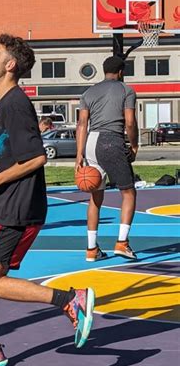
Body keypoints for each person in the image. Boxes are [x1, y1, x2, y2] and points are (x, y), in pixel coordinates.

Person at [0, 34, 95, 366]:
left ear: (9, 65)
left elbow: (37, 158)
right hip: (2, 202)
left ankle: (71, 299)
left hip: (17, 206)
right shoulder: (4, 104)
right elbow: (6, 159)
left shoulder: (14, 103)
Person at [76, 55, 139, 262]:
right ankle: (122, 243)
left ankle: (91, 248)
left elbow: (82, 124)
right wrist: (135, 144)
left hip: (91, 142)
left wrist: (79, 154)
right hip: (111, 139)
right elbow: (129, 122)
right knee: (128, 193)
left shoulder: (88, 92)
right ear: (121, 72)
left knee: (95, 196)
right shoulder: (126, 90)